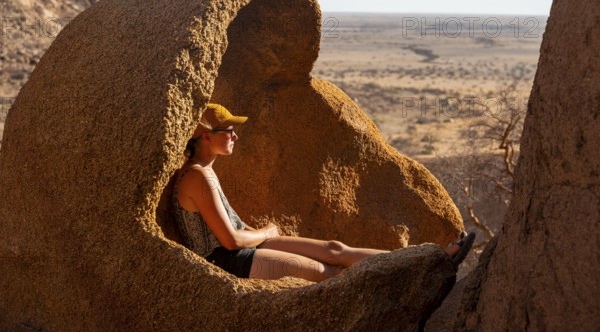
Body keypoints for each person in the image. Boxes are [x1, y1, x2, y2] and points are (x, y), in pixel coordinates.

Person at [173, 103, 475, 282]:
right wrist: (266, 232)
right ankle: (423, 272)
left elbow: (235, 231)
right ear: (205, 136)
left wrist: (262, 234)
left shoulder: (204, 171)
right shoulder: (198, 177)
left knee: (335, 249)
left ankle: (433, 256)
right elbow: (231, 240)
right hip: (229, 261)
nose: (235, 136)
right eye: (228, 130)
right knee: (328, 273)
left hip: (243, 249)